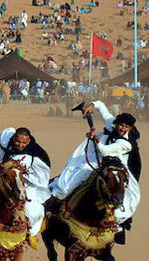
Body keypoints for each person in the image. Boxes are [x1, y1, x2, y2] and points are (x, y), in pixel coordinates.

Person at [49, 102, 140, 244]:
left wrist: (97, 140)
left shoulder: (127, 143)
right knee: (71, 180)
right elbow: (102, 106)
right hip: (97, 159)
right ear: (117, 123)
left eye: (126, 127)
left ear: (130, 128)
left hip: (117, 164)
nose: (123, 128)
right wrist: (91, 106)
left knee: (126, 198)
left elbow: (105, 151)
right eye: (121, 125)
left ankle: (118, 226)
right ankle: (54, 202)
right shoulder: (111, 123)